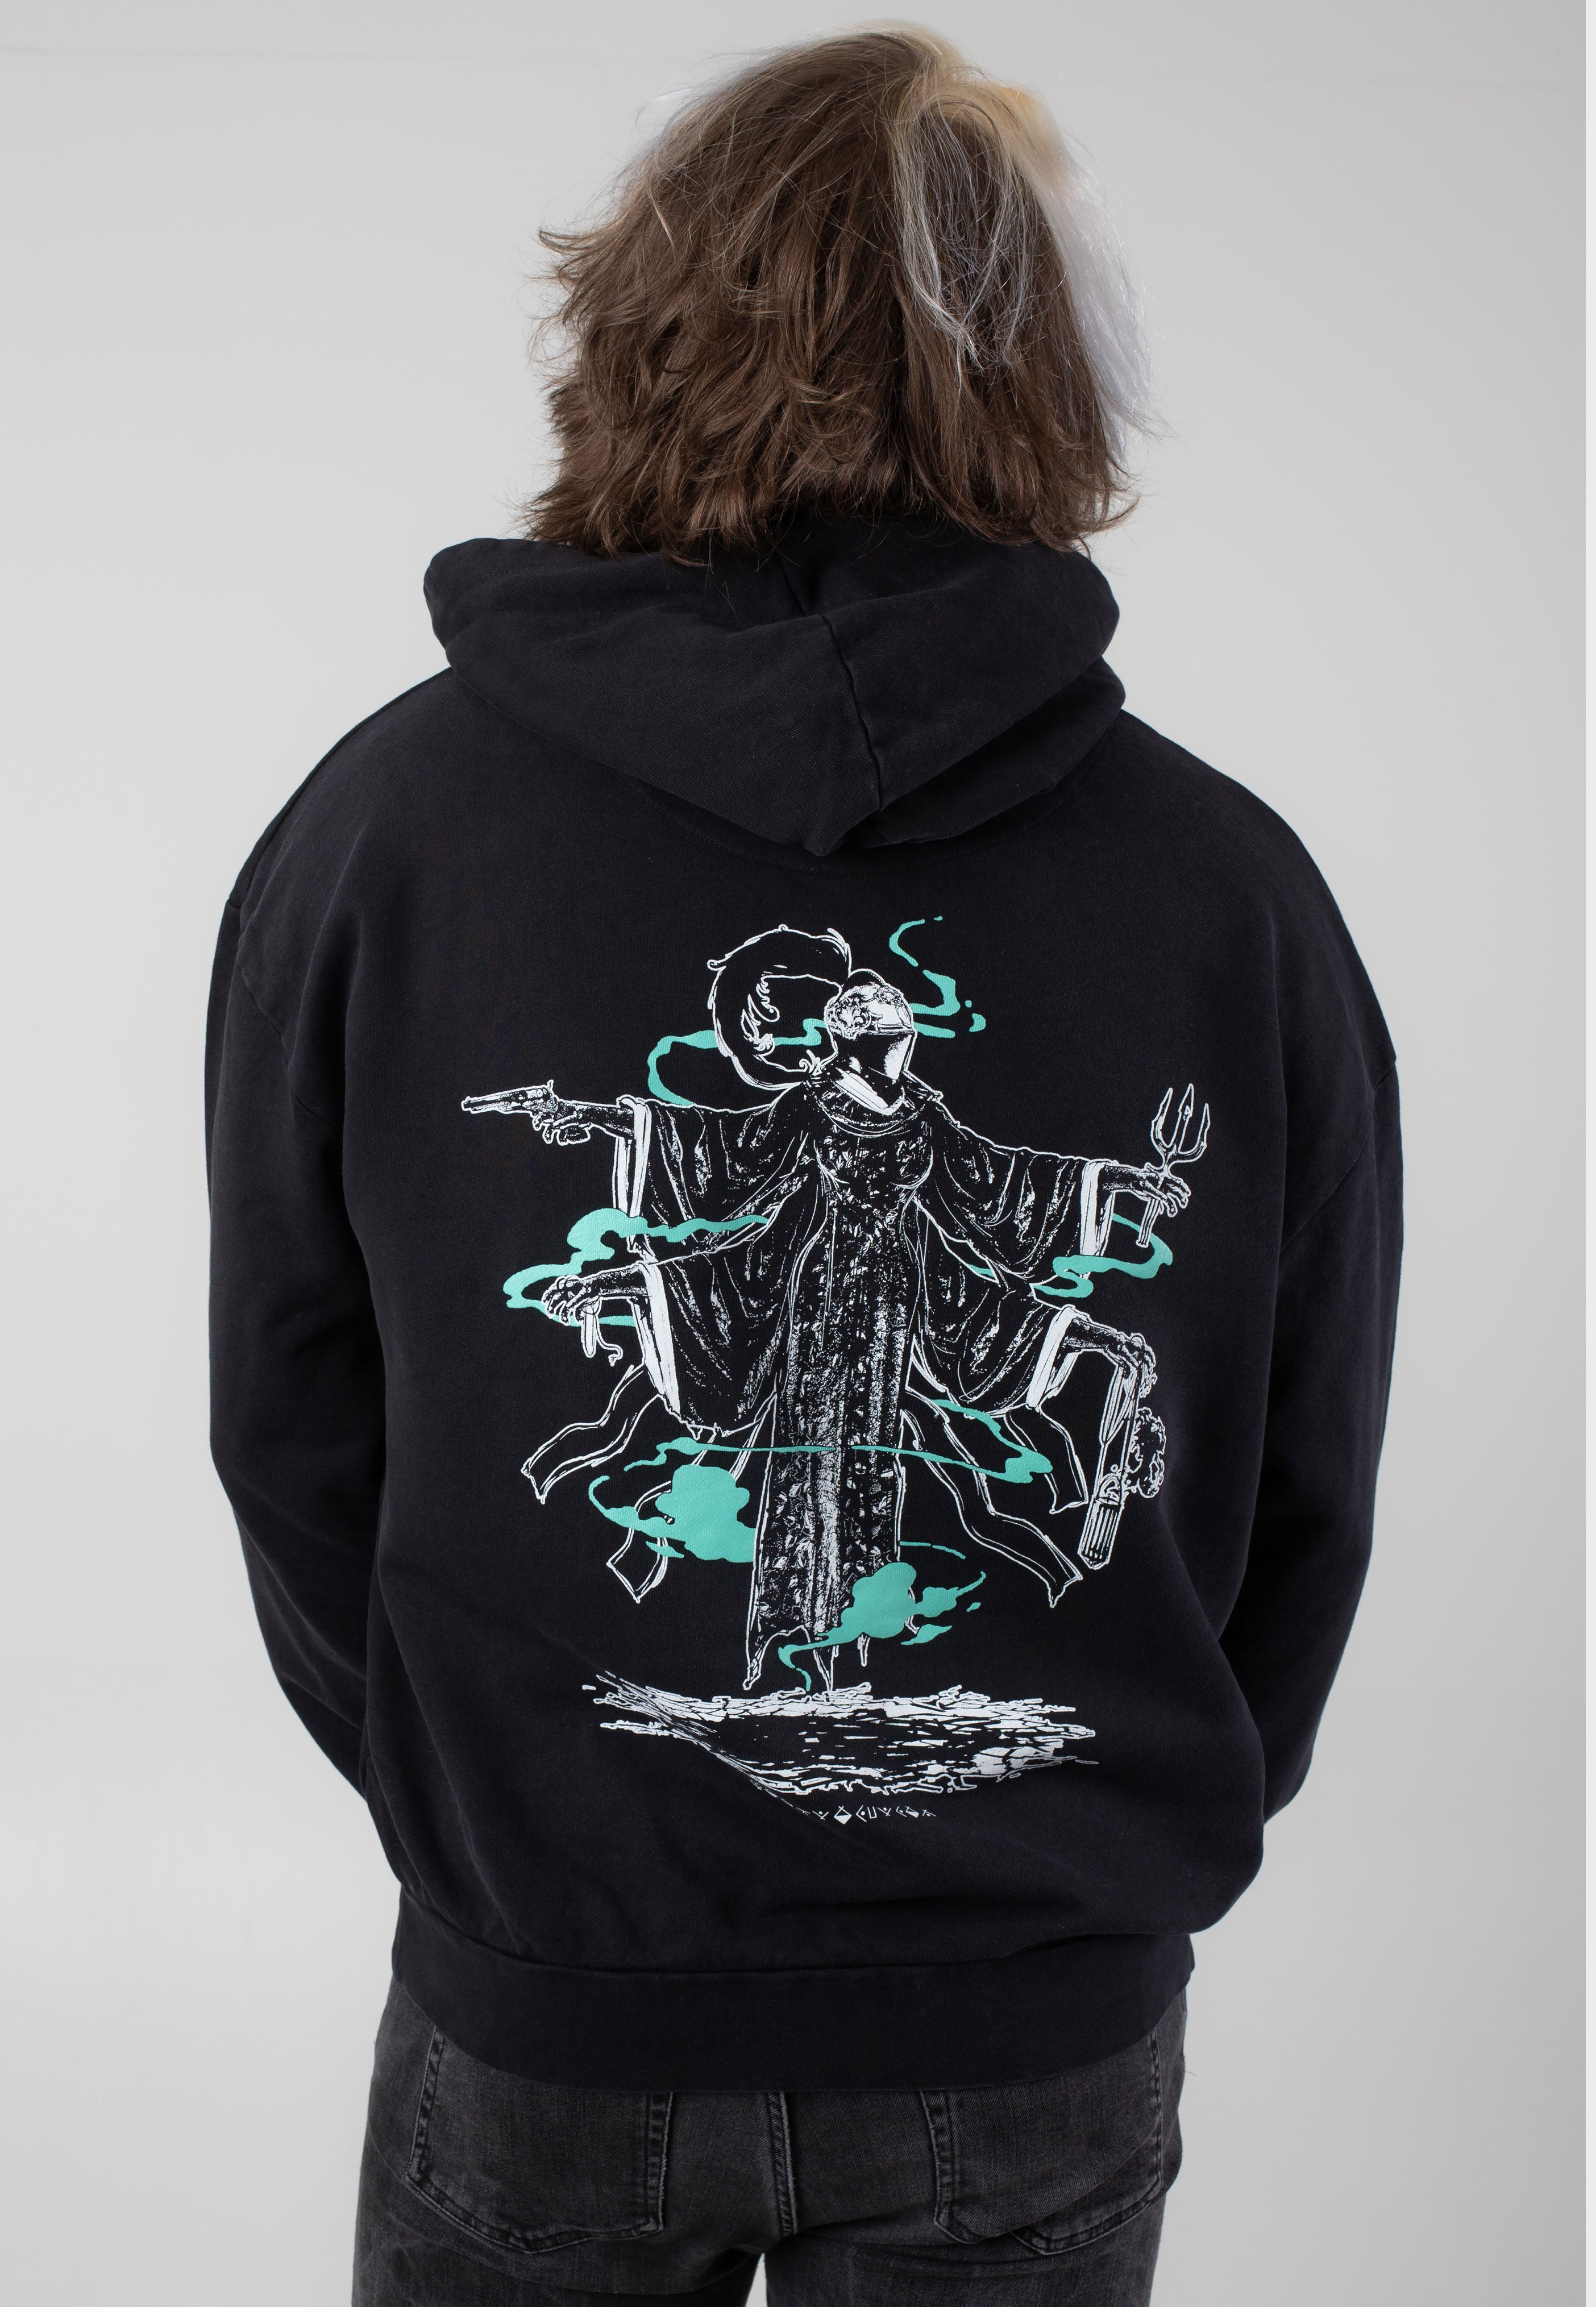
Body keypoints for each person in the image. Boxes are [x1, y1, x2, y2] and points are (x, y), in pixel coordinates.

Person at [207, 27, 1400, 2306]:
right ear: (1041, 370)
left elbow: (282, 1412)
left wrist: (507, 1827)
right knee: (800, 1500)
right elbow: (1313, 1469)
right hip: (1016, 2014)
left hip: (555, 1993)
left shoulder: (382, 833)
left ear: (639, 324)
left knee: (879, 1491)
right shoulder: (1227, 888)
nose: (863, 1045)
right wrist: (1090, 1852)